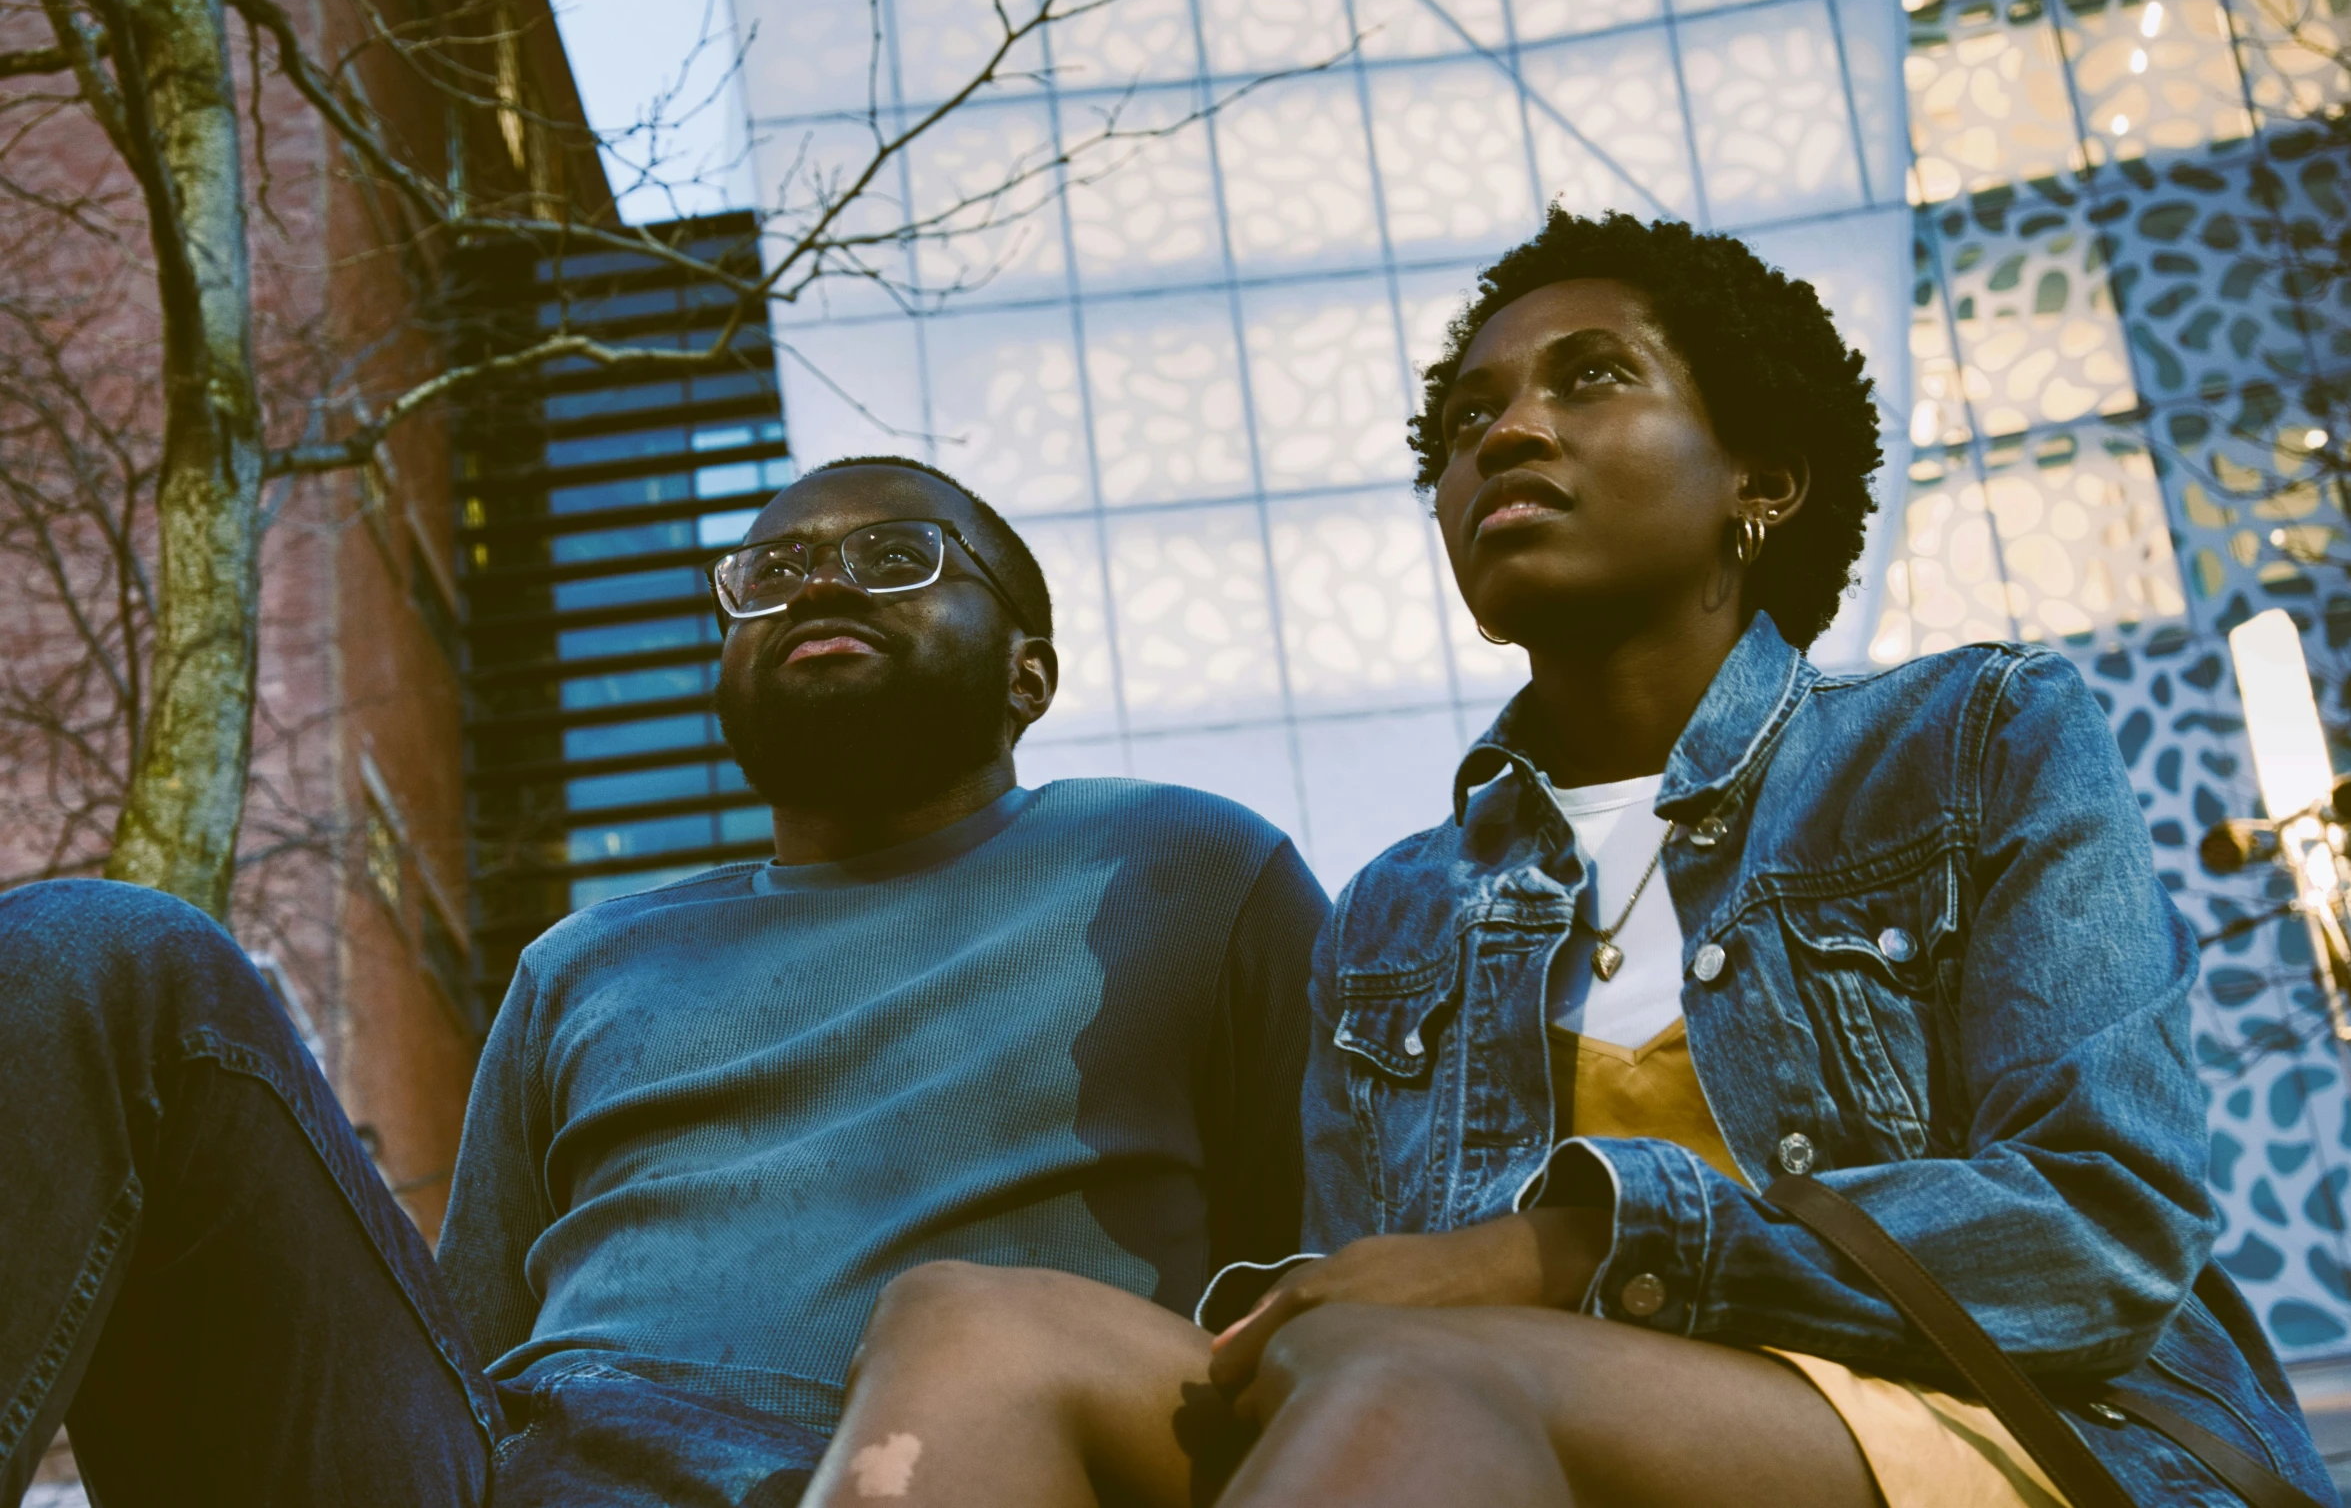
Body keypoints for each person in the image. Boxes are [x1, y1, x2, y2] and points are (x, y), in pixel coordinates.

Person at [800, 213, 2334, 1508]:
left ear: (1762, 480)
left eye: (1590, 379)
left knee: (1409, 1359)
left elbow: (2098, 1228)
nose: (1506, 432)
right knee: (972, 1325)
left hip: (2019, 1434)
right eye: (1467, 421)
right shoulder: (1400, 910)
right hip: (1487, 1413)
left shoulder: (1967, 738)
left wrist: (1560, 1252)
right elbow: (1358, 1303)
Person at [0, 456, 1326, 1508]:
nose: (818, 585)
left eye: (892, 556)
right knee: (97, 948)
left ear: (1026, 670)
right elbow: (454, 1345)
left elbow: (1325, 1273)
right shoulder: (583, 958)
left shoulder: (1182, 864)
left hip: (868, 1449)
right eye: (774, 570)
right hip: (504, 1455)